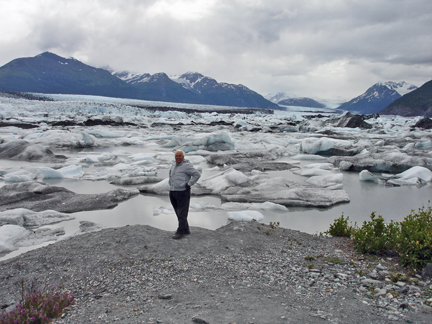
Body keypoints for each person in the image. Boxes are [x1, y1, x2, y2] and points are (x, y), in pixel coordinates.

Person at [169, 150, 201, 239]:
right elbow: (170, 176)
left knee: (182, 212)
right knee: (178, 211)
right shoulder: (173, 165)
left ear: (183, 157)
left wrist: (189, 184)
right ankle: (186, 229)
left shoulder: (187, 166)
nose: (178, 157)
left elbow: (197, 174)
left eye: (180, 156)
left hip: (183, 191)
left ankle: (180, 231)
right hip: (173, 191)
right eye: (176, 156)